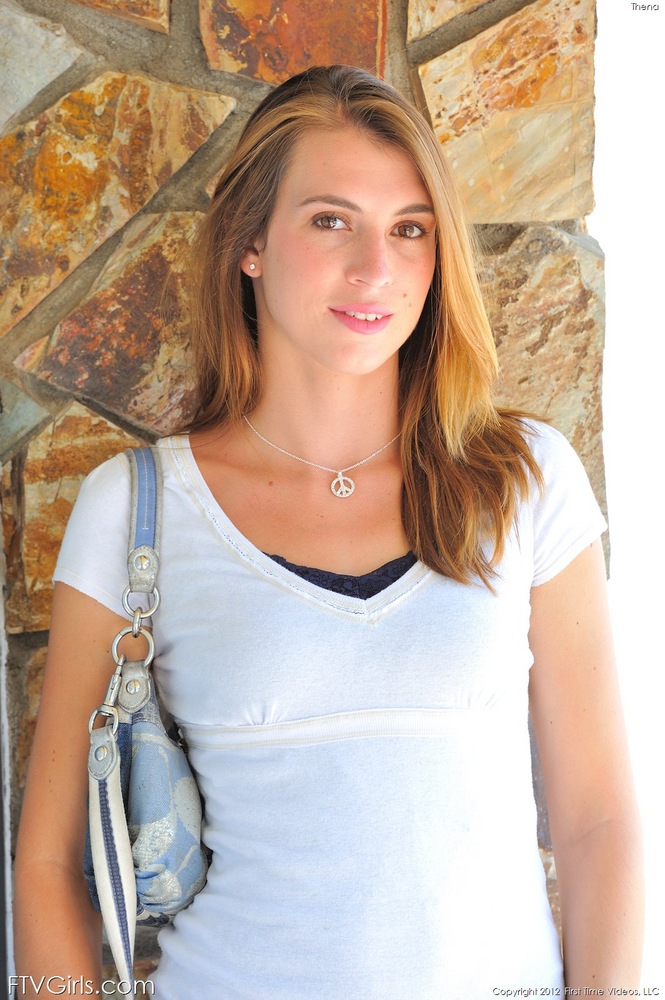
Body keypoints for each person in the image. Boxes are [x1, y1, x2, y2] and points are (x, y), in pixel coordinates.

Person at [13, 65, 643, 998]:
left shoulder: (526, 481)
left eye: (409, 229)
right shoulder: (139, 508)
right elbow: (49, 862)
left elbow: (597, 824)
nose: (374, 269)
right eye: (329, 221)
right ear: (250, 243)